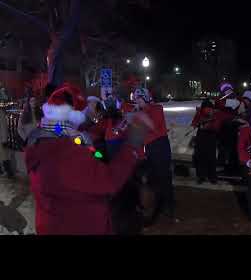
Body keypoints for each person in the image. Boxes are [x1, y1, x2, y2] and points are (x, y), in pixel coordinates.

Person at [24, 83, 152, 235]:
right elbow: (108, 181)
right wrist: (132, 146)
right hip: (79, 225)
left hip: (53, 222)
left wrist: (97, 155)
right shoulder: (65, 151)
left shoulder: (44, 137)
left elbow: (89, 149)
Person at [133, 87, 176, 223]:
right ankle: (155, 206)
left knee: (164, 177)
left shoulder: (157, 108)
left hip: (160, 145)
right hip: (149, 148)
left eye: (139, 99)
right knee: (152, 179)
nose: (137, 102)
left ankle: (169, 206)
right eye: (136, 99)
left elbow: (154, 127)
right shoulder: (139, 113)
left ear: (145, 98)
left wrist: (141, 116)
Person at [191, 99, 220, 184]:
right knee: (201, 157)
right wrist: (200, 123)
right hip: (201, 137)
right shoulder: (199, 114)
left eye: (209, 108)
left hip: (211, 137)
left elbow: (216, 126)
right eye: (206, 108)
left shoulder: (215, 114)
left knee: (210, 158)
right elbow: (193, 123)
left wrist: (207, 126)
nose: (208, 110)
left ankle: (212, 176)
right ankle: (202, 176)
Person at [0, 106, 10, 177]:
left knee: (4, 156)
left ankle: (7, 171)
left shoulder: (1, 112)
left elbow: (3, 126)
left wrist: (4, 139)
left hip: (1, 139)